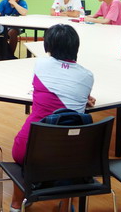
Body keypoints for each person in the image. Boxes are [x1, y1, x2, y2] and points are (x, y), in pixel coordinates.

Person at [9, 24, 95, 212]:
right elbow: (76, 93)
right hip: (71, 154)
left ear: (48, 46)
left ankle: (17, 204)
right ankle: (66, 205)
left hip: (30, 148)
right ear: (75, 46)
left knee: (27, 153)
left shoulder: (41, 64)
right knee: (67, 152)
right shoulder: (87, 76)